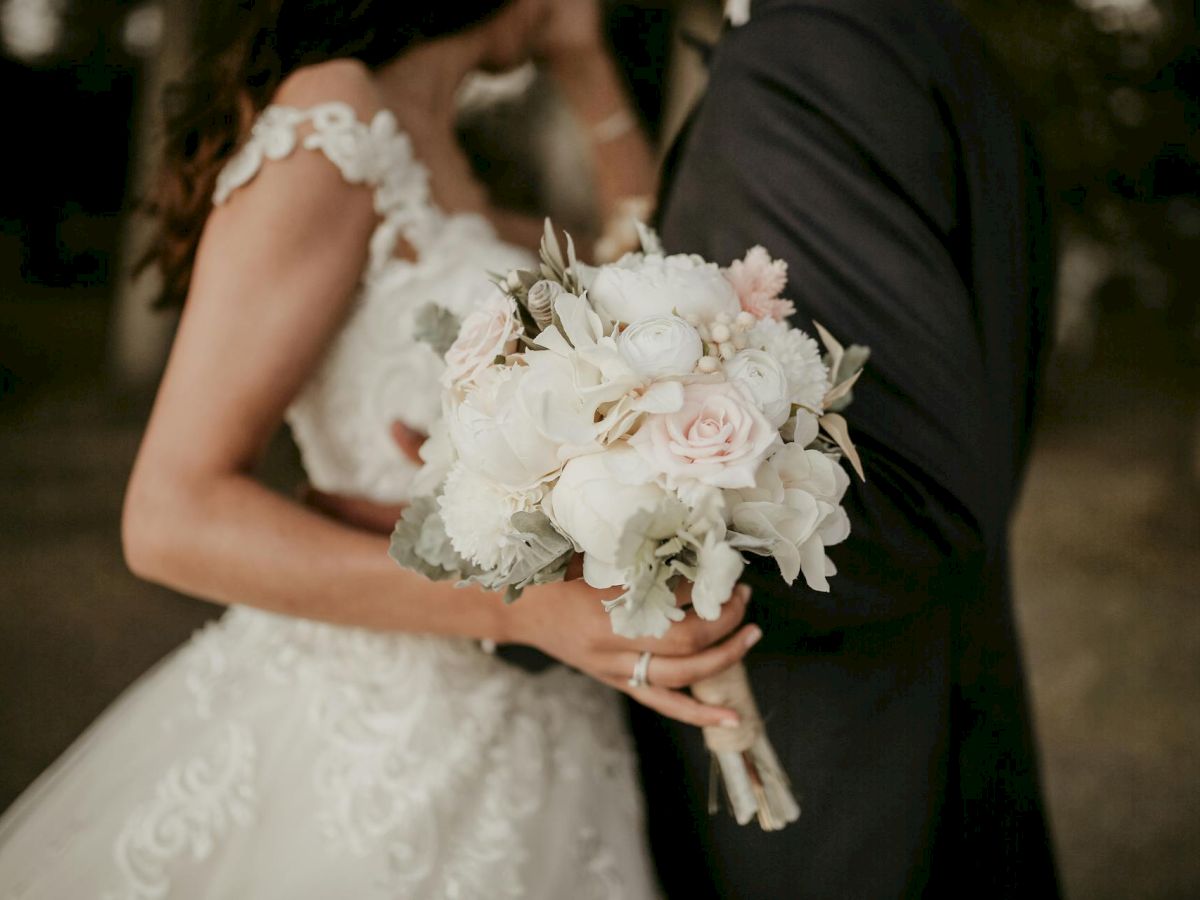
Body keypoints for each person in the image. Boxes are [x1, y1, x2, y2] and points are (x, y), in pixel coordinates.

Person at [0, 3, 762, 897]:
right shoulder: (335, 121)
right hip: (378, 725)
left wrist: (586, 63)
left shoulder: (434, 144)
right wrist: (518, 610)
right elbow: (170, 515)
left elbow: (637, 272)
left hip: (533, 724)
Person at [627, 0, 1061, 895]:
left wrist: (583, 556)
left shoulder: (803, 61)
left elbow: (917, 503)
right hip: (927, 720)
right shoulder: (905, 24)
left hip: (842, 775)